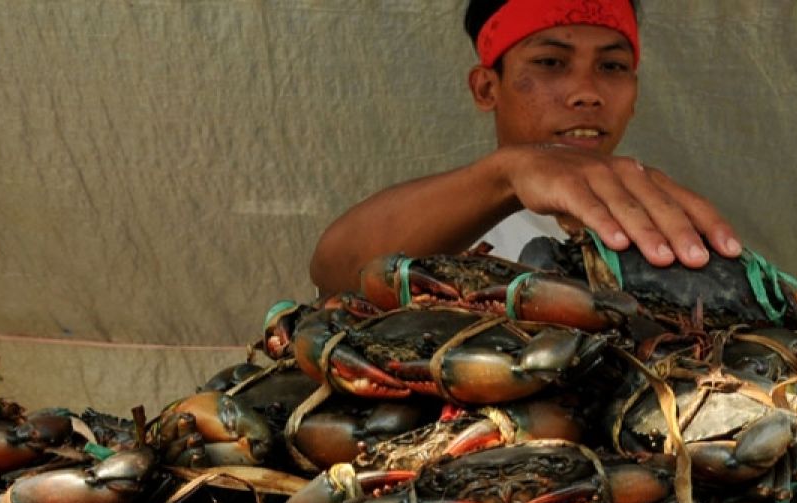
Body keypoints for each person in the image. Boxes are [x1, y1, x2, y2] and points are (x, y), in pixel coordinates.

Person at [309, 0, 741, 295]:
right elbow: (334, 270)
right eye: (551, 62)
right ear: (485, 87)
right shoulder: (434, 223)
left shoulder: (674, 228)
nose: (586, 93)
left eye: (612, 66)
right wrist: (509, 173)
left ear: (635, 94)